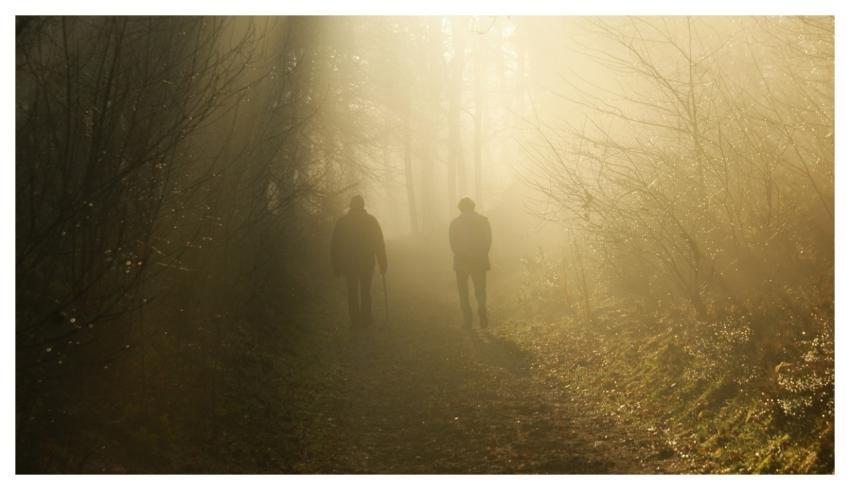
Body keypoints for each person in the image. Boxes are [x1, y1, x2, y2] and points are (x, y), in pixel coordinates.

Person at [331, 195, 387, 329]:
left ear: (351, 206)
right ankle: (366, 319)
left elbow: (335, 246)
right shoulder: (371, 221)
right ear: (363, 206)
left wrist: (336, 266)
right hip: (366, 262)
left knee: (352, 291)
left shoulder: (342, 222)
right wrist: (382, 262)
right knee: (365, 290)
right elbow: (379, 243)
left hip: (349, 263)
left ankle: (355, 320)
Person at [449, 197, 491, 329]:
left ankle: (468, 320)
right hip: (479, 261)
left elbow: (452, 243)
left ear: (460, 208)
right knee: (480, 290)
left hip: (461, 262)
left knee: (463, 292)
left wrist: (461, 254)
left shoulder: (455, 224)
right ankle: (482, 316)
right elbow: (488, 240)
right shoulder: (483, 221)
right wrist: (481, 254)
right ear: (473, 207)